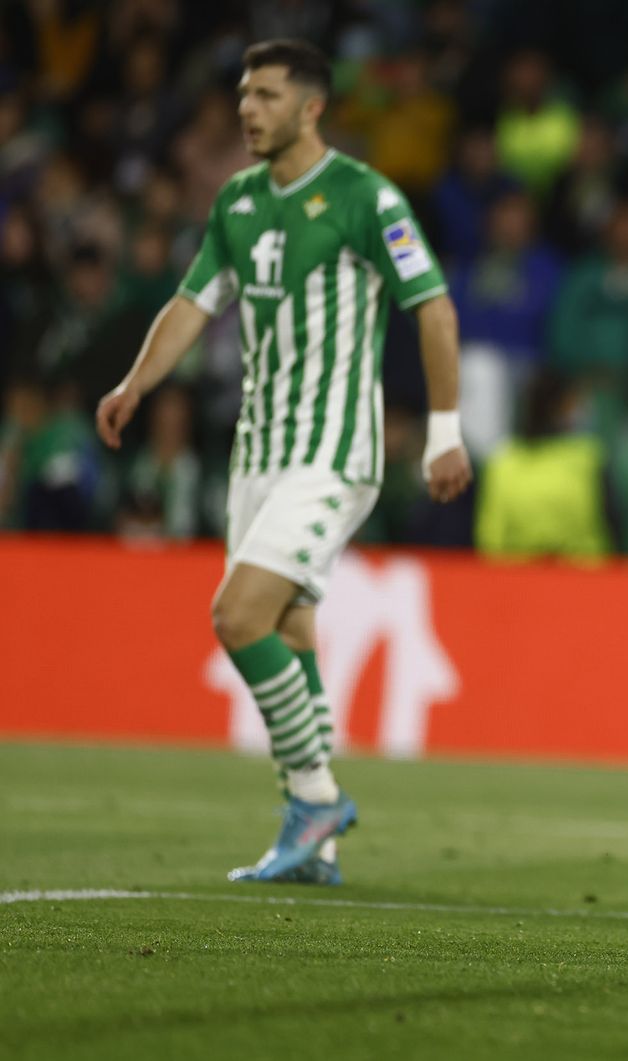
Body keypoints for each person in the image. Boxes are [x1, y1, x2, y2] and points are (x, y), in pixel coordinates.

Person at [93, 39, 472, 885]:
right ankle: (318, 843)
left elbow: (433, 306)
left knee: (237, 616)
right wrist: (136, 383)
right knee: (291, 627)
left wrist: (445, 427)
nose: (247, 110)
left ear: (310, 107)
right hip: (257, 452)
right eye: (242, 96)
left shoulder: (364, 197)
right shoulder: (235, 201)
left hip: (332, 451)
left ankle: (314, 799)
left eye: (265, 95)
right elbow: (193, 302)